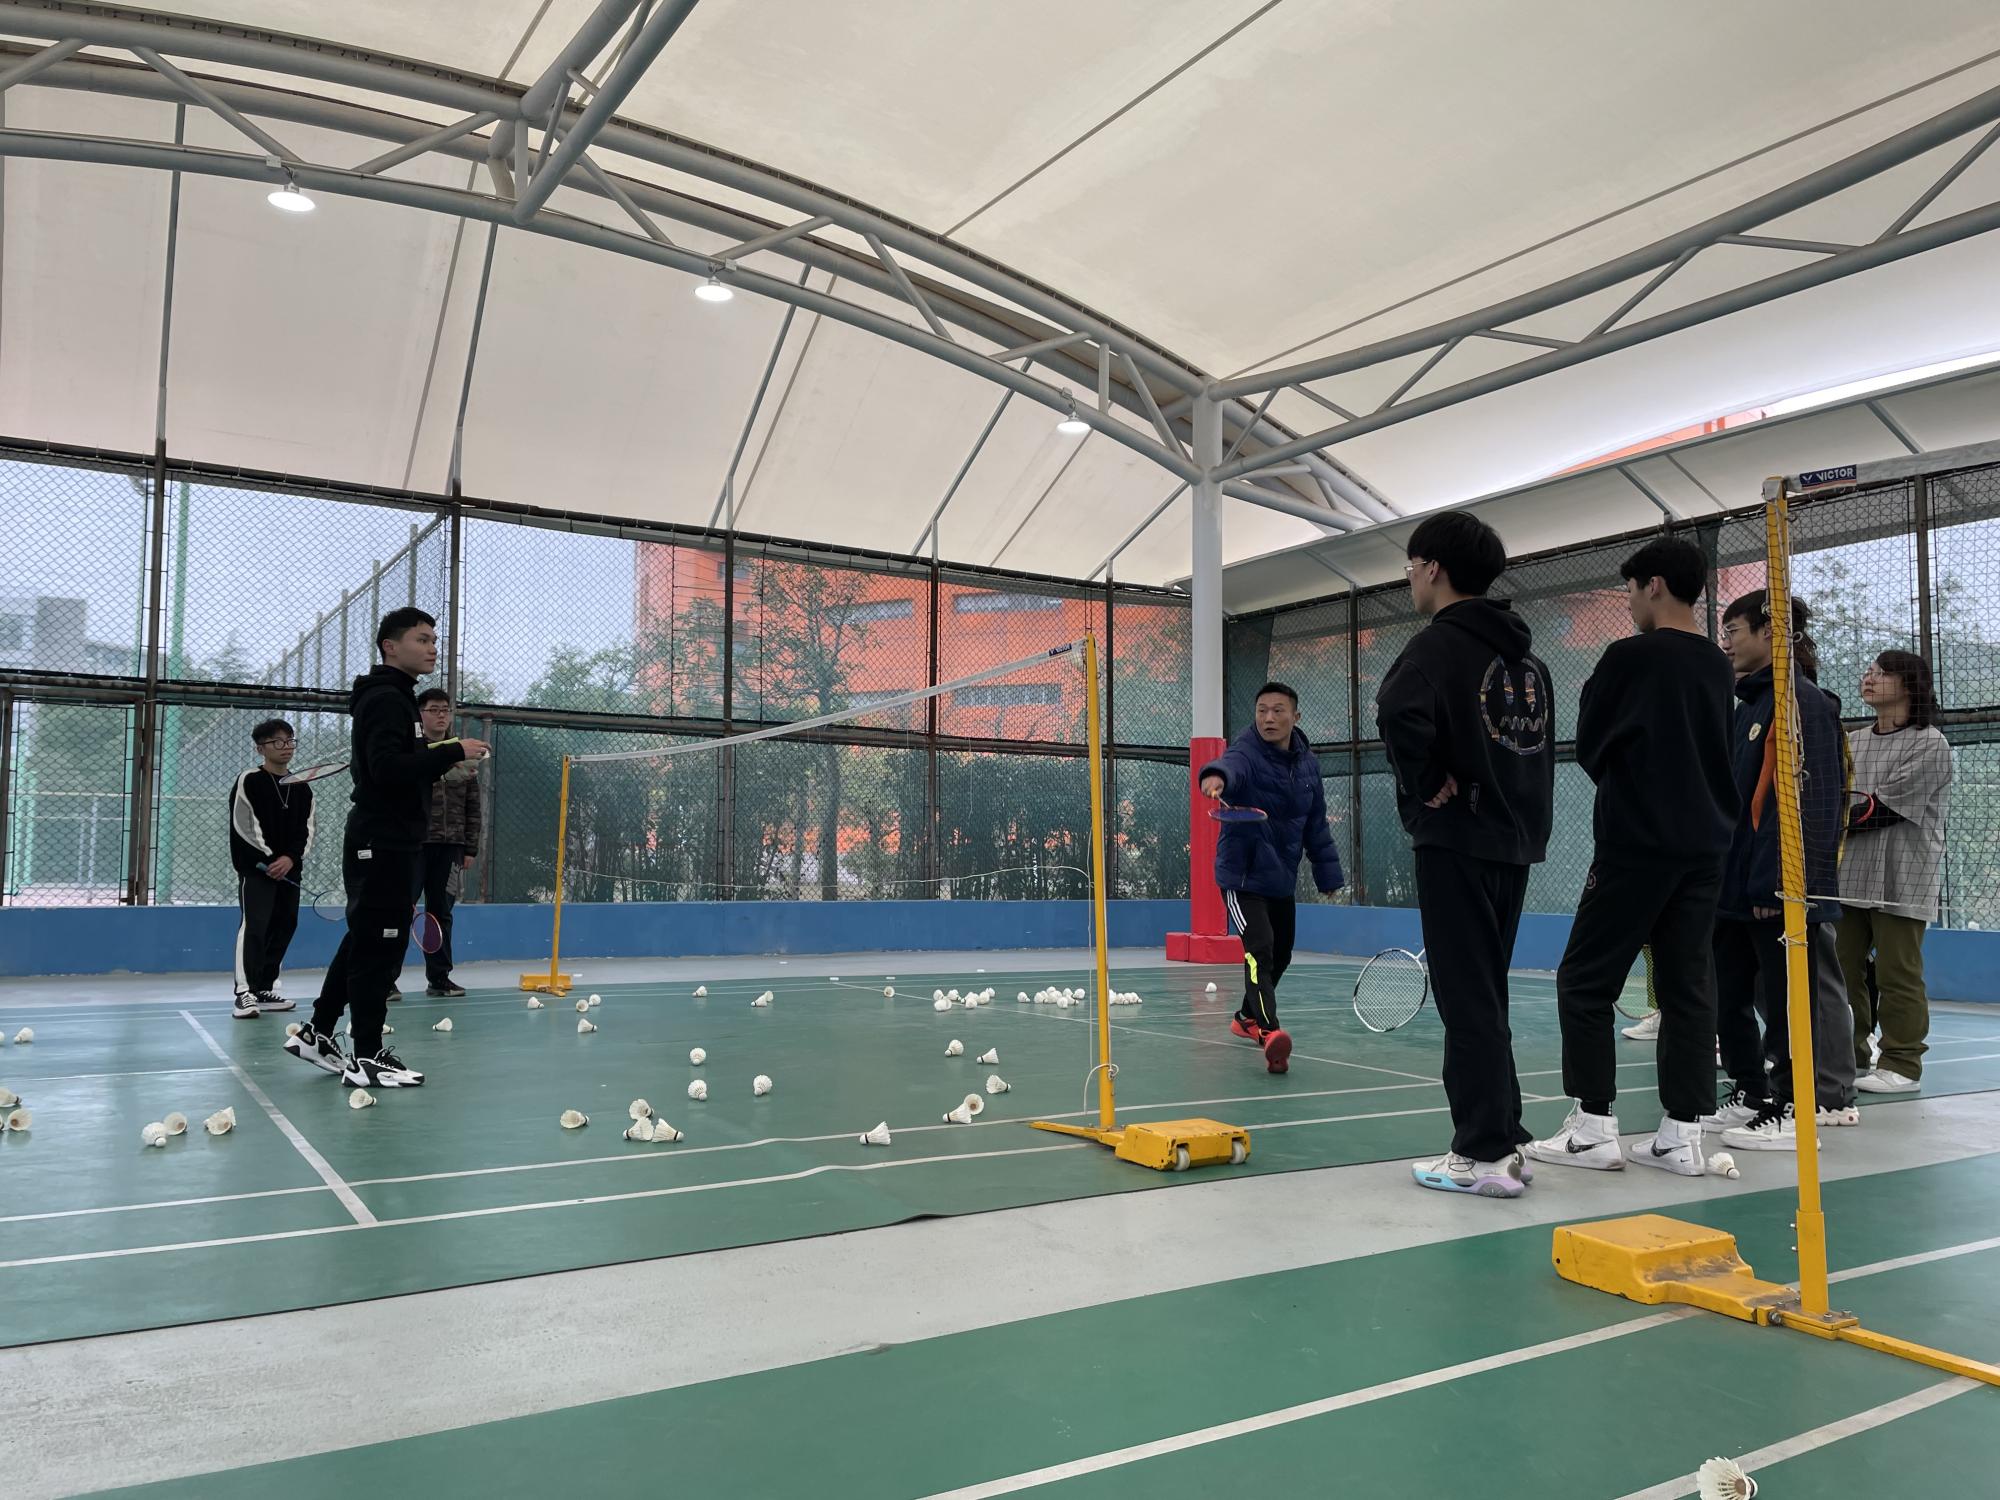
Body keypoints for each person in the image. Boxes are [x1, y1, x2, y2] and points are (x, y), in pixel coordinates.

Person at [1526, 538, 1736, 1177]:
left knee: (1584, 979)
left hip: (1637, 843)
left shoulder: (1629, 657)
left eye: (1630, 589)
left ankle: (1594, 1126)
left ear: (1654, 586)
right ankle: (1682, 1135)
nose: (1629, 602)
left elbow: (1592, 741)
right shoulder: (1718, 665)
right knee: (1687, 986)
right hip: (1705, 847)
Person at [1377, 510, 1554, 1198]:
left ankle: (1482, 1152)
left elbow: (1396, 712)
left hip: (1457, 839)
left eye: (1411, 566)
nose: (1410, 579)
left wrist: (1427, 782)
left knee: (1467, 996)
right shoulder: (1528, 660)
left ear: (1433, 569)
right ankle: (1506, 1137)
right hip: (1514, 842)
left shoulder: (1435, 648)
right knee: (1487, 991)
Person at [284, 608, 488, 1089]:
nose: (433, 647)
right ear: (390, 647)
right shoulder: (386, 700)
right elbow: (385, 770)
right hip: (382, 840)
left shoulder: (397, 699)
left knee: (365, 938)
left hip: (390, 837)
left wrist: (441, 761)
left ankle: (317, 1033)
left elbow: (398, 764)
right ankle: (368, 1056)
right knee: (379, 947)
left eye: (434, 639)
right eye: (422, 639)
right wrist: (451, 751)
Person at [1703, 591, 1856, 1151]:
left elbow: (1809, 806)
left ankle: (1796, 1105)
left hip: (1777, 889)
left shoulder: (1803, 705)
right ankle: (1753, 1093)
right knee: (1729, 996)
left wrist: (1783, 884)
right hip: (1735, 885)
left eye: (1734, 631)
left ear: (1771, 632)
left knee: (1791, 1003)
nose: (1726, 642)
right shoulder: (1747, 705)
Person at [1197, 680, 1344, 1073]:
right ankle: (1268, 1031)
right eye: (1262, 710)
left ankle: (1246, 1017)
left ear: (1296, 716)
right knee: (1259, 949)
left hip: (1280, 876)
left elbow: (1316, 825)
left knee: (1283, 953)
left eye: (1278, 710)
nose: (1268, 718)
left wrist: (1328, 875)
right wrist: (1215, 777)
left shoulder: (1308, 765)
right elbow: (1231, 765)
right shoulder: (1247, 749)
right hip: (1242, 876)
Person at [1839, 649, 1953, 1094]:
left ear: (1910, 685)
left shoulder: (1930, 743)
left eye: (1882, 673)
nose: (1870, 678)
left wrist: (1830, 817)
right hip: (1847, 877)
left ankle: (1902, 1063)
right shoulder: (1853, 741)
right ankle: (1847, 1054)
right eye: (1868, 671)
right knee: (1840, 969)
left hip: (1903, 877)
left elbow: (1880, 810)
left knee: (1897, 973)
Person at [226, 718, 315, 1019]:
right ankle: (244, 992)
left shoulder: (302, 787)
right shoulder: (250, 780)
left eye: (290, 740)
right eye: (277, 741)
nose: (286, 746)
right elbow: (245, 825)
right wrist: (271, 859)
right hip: (257, 869)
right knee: (255, 926)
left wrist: (290, 859)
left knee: (285, 924)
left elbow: (307, 829)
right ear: (260, 749)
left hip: (289, 871)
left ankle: (264, 988)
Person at [417, 688, 482, 999]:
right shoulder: (412, 752)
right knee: (400, 909)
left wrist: (469, 848)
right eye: (434, 709)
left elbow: (473, 805)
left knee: (441, 912)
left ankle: (439, 978)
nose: (441, 715)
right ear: (420, 714)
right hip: (414, 845)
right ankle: (386, 980)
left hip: (451, 847)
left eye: (446, 709)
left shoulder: (463, 753)